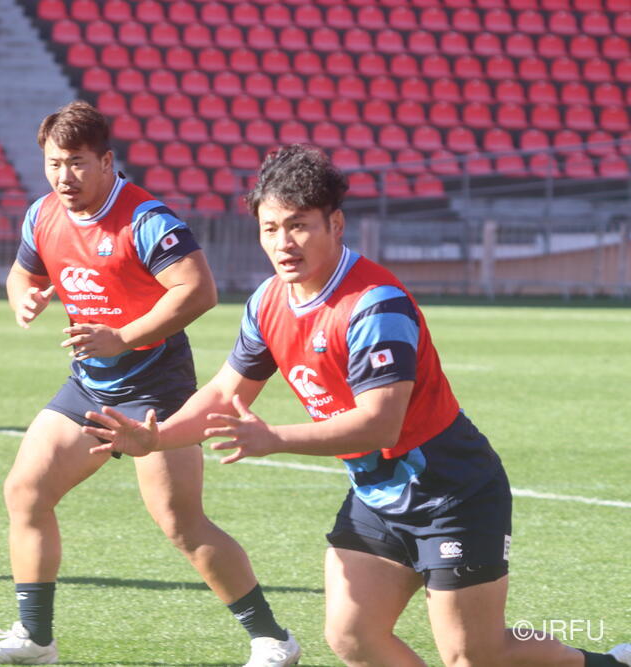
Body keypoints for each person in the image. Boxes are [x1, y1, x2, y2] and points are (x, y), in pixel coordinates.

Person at [84, 144, 630, 667]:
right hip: (378, 496)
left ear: (336, 224)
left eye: (299, 225)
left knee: (475, 655)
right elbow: (226, 394)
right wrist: (156, 438)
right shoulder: (267, 300)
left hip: (452, 491)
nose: (283, 243)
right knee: (352, 635)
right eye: (270, 228)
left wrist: (274, 439)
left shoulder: (375, 305)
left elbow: (379, 423)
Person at [0, 101, 301, 666]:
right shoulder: (42, 214)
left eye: (77, 163)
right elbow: (24, 271)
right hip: (89, 387)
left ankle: (272, 640)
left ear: (106, 162)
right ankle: (36, 638)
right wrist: (22, 295)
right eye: (54, 164)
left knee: (181, 524)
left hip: (156, 392)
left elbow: (198, 290)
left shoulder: (147, 220)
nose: (64, 176)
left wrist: (122, 337)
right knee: (25, 492)